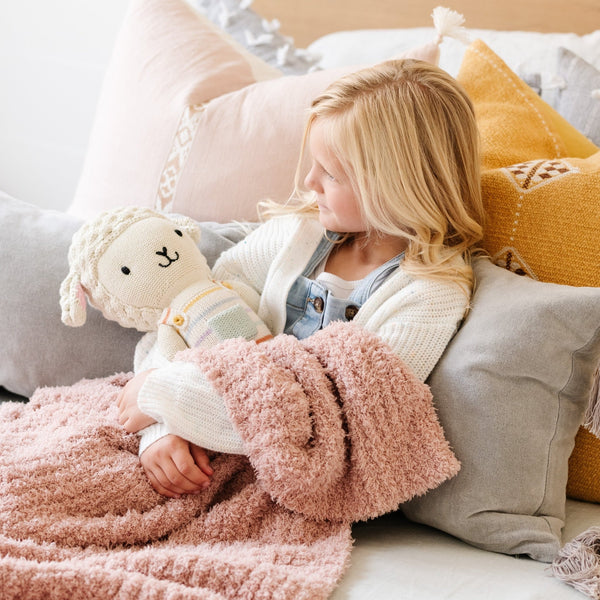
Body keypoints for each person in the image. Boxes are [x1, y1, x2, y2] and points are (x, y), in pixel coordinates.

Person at [117, 58, 485, 498]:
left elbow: (333, 415)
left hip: (284, 472)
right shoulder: (298, 235)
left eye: (331, 173)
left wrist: (162, 397)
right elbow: (189, 313)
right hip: (191, 436)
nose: (310, 181)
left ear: (399, 183)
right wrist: (158, 429)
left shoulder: (429, 294)